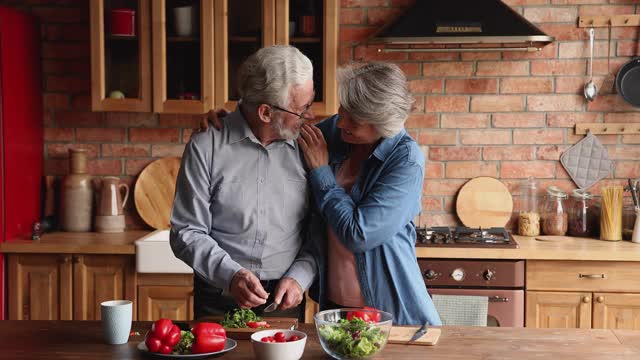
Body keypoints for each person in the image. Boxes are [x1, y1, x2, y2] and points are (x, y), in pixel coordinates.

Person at [170, 45, 317, 320]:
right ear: (265, 113)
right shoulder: (207, 144)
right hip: (217, 296)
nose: (311, 115)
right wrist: (231, 274)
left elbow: (318, 229)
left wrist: (300, 276)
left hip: (283, 299)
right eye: (302, 108)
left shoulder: (310, 145)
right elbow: (187, 231)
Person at [298, 62, 442, 326]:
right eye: (343, 109)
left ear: (383, 125)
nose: (341, 120)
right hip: (334, 311)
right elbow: (282, 134)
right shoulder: (338, 133)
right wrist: (225, 122)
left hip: (391, 315)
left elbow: (358, 234)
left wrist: (321, 171)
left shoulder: (406, 161)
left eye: (354, 119)